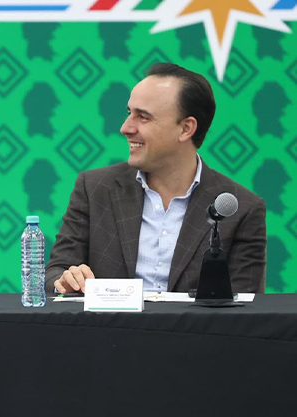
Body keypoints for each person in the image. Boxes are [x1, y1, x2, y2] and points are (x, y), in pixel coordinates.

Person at [46, 63, 266, 294]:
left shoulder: (242, 209)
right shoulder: (94, 188)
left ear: (186, 128)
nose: (125, 128)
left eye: (143, 117)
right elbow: (56, 272)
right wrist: (66, 280)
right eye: (129, 113)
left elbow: (246, 304)